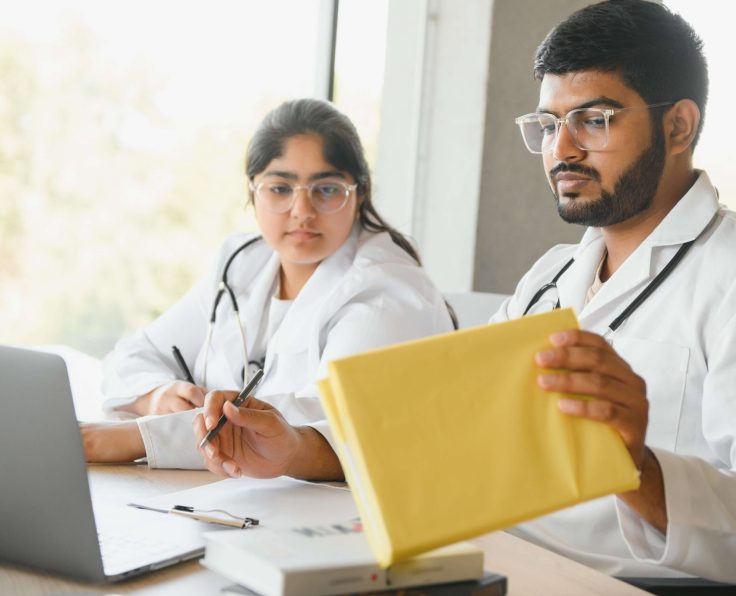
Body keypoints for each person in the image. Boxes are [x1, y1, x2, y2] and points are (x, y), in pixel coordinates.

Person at [82, 98, 455, 478]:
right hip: (233, 492)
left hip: (343, 508)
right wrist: (156, 396)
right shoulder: (243, 263)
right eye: (280, 188)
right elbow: (133, 355)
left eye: (326, 189)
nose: (302, 211)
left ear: (358, 195)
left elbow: (322, 423)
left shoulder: (388, 290)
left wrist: (135, 438)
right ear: (252, 191)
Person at [494, 0, 736, 584]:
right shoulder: (550, 275)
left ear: (677, 126)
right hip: (501, 557)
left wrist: (635, 467)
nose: (562, 150)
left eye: (594, 120)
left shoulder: (728, 276)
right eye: (549, 125)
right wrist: (303, 449)